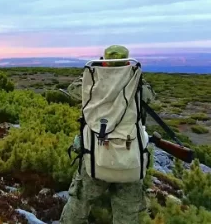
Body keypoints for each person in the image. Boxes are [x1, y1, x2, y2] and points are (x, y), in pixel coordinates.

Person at [59, 45, 156, 224]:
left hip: (95, 155)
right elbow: (150, 97)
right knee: (127, 214)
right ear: (127, 62)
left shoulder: (91, 81)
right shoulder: (137, 82)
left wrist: (95, 74)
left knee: (79, 202)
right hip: (129, 158)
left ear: (104, 61)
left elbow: (73, 91)